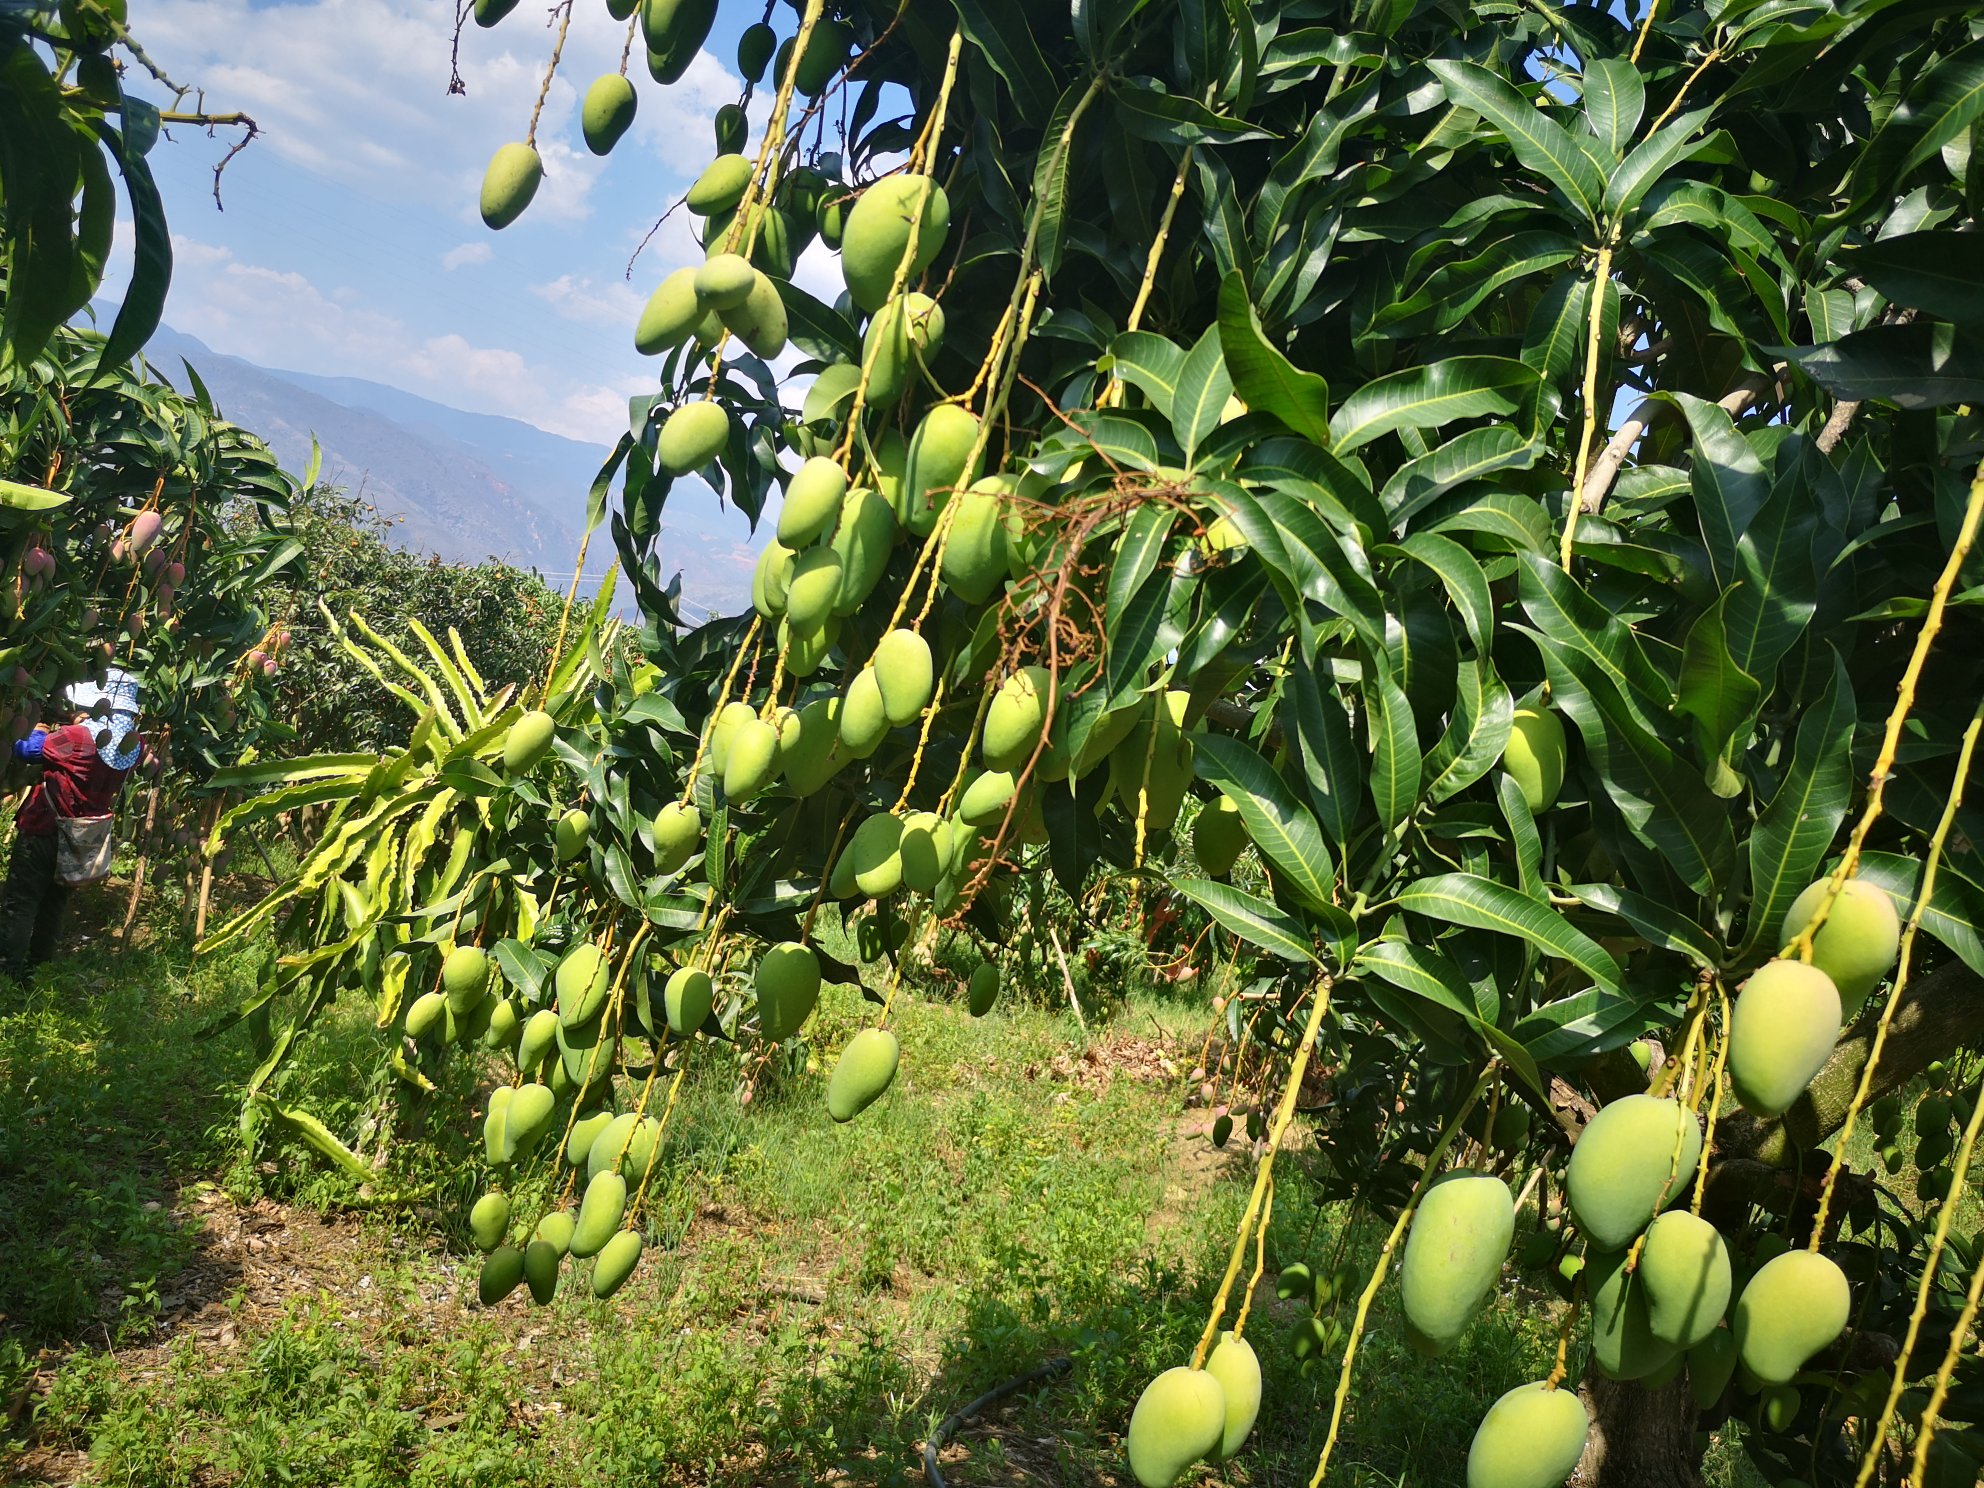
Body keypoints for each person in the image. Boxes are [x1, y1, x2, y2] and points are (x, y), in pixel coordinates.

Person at [1, 670, 146, 980]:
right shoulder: (134, 746)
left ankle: (8, 971)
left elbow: (26, 750)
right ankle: (38, 969)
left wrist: (38, 728)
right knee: (54, 903)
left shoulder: (77, 737)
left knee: (22, 900)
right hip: (81, 838)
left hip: (44, 830)